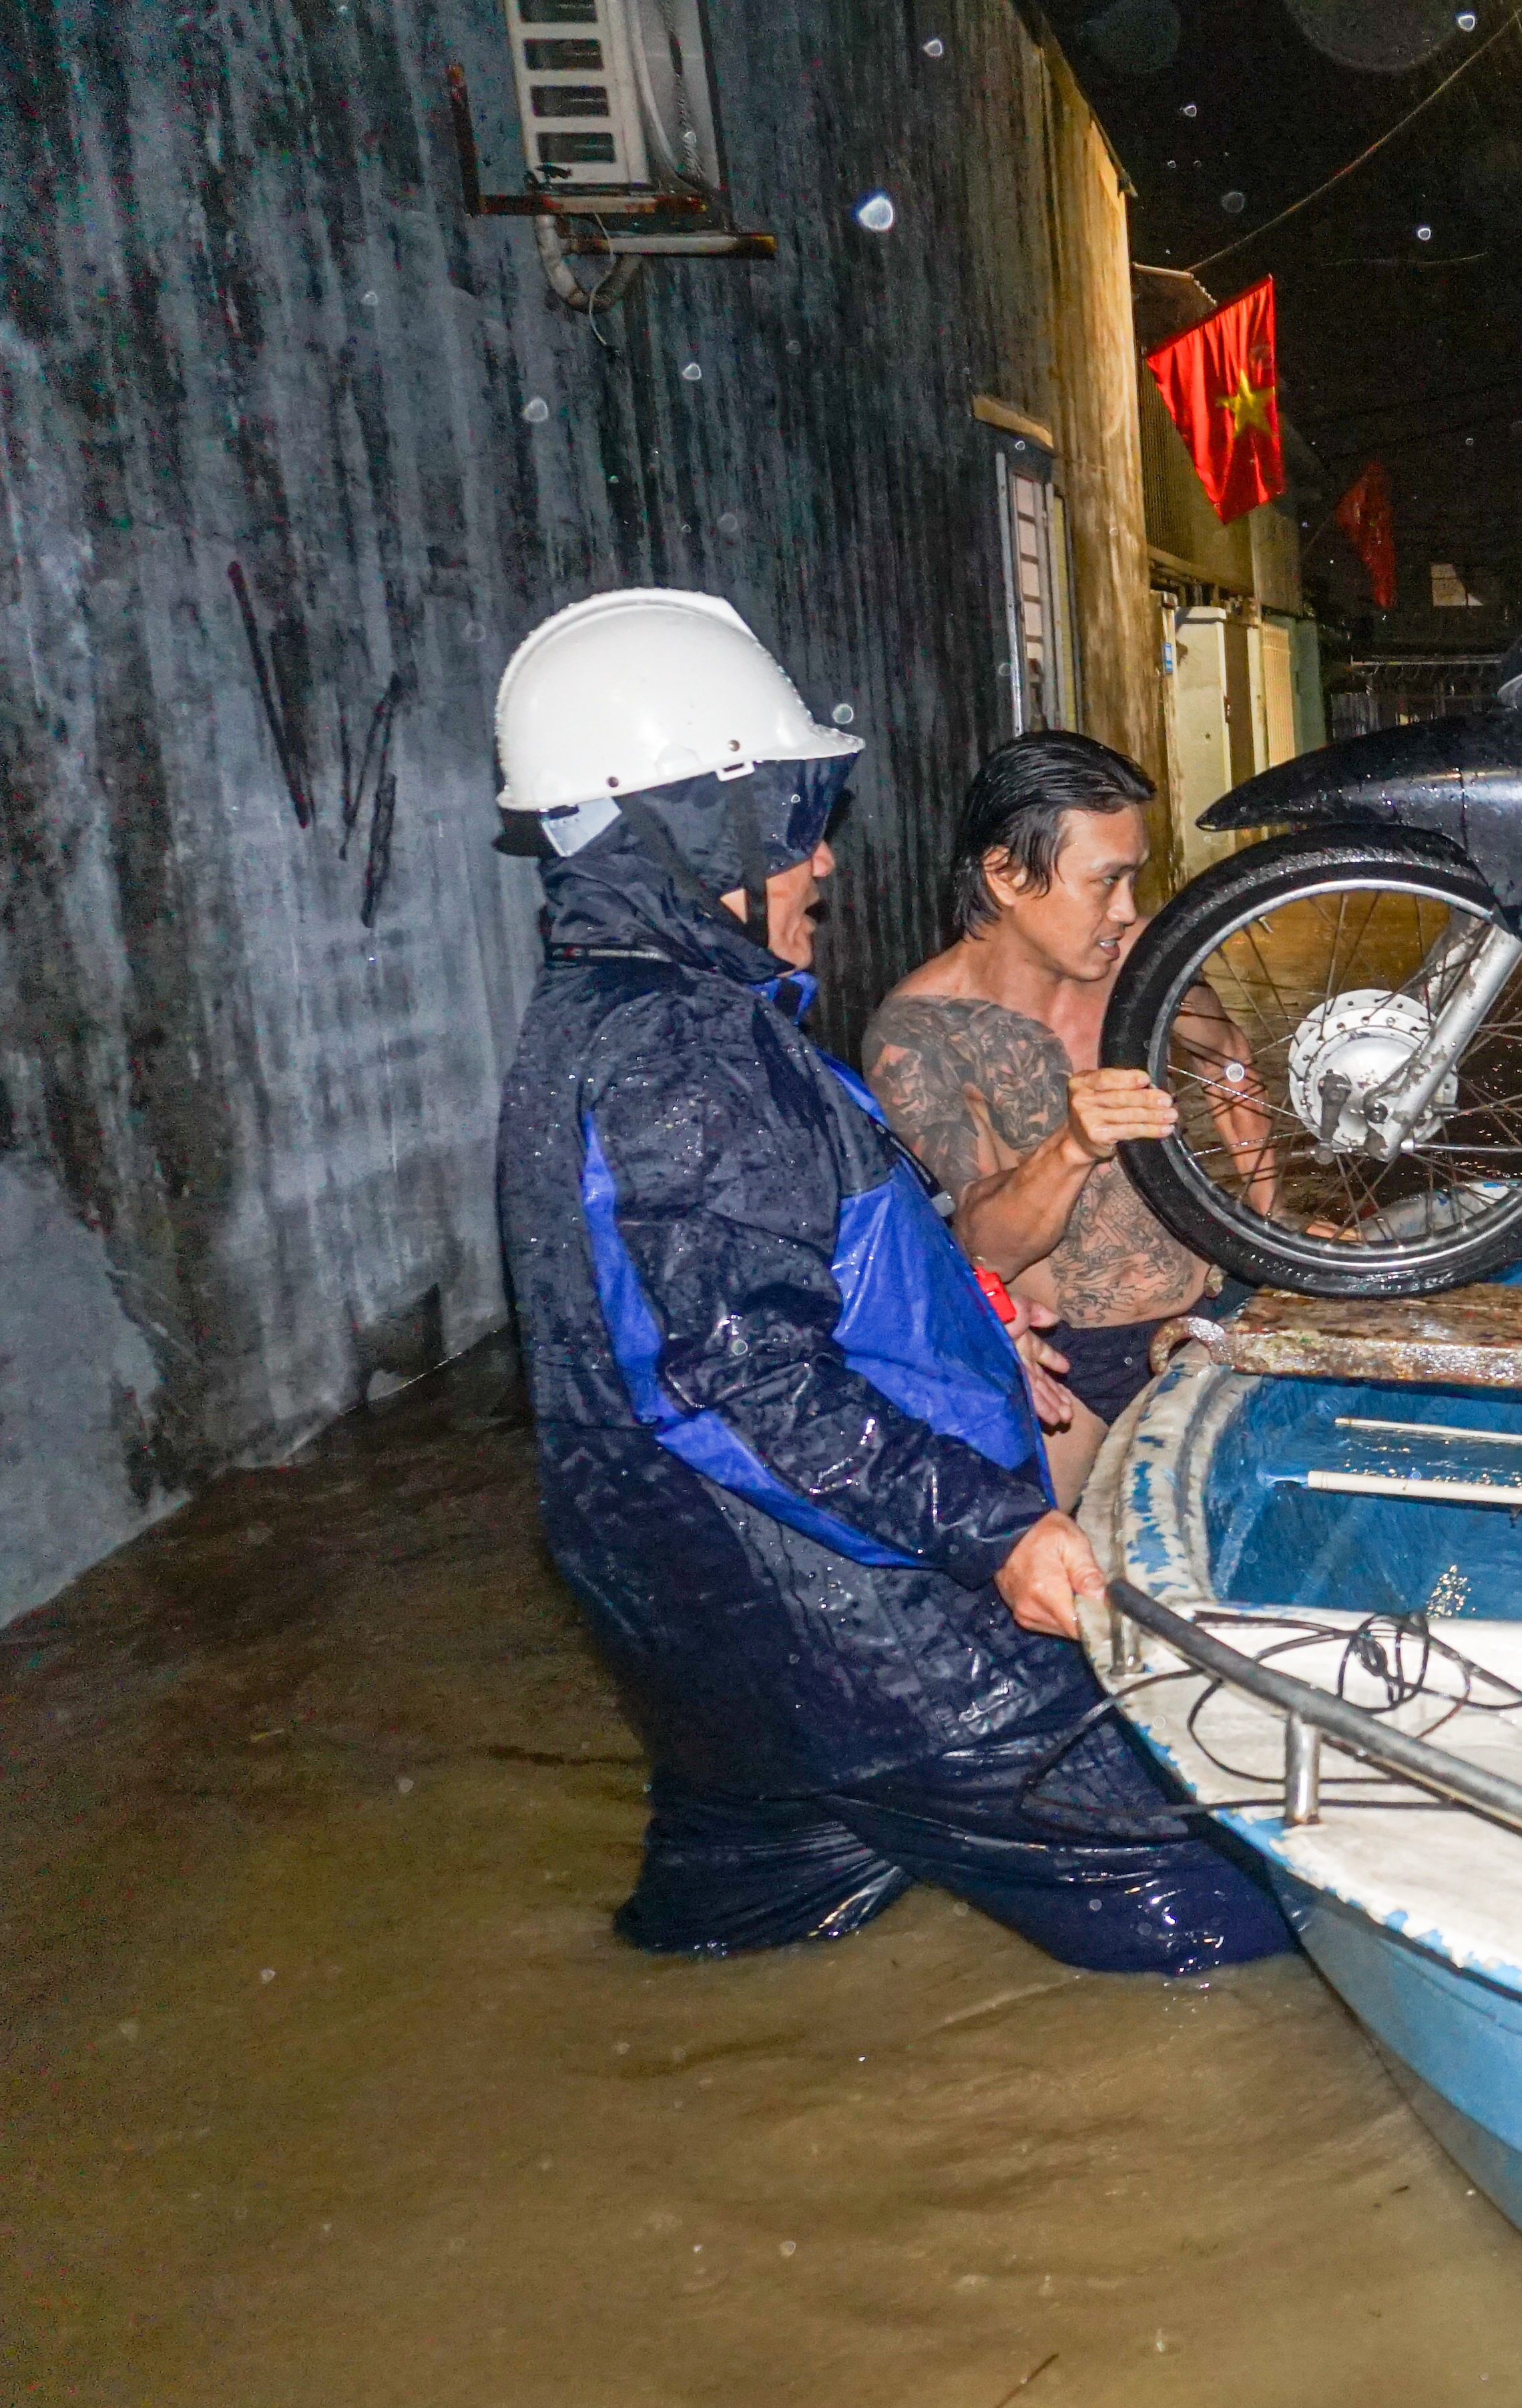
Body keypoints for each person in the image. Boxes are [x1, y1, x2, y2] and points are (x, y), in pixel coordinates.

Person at [489, 589, 1291, 1972]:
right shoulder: (685, 1060)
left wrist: (976, 1325)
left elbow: (778, 1278)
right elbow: (735, 1379)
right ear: (703, 828)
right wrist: (995, 1530)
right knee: (1228, 1901)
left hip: (703, 1621)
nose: (823, 866)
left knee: (742, 1923)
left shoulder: (629, 1023)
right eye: (798, 829)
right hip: (858, 1627)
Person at [864, 734, 1208, 1503]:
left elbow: (1233, 1069)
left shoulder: (1149, 961)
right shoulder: (920, 1032)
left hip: (1211, 1317)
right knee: (1043, 1580)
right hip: (1068, 1362)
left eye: (1134, 879)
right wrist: (1073, 1145)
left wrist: (1271, 1221)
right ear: (1008, 875)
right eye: (1105, 881)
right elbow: (981, 1243)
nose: (1127, 909)